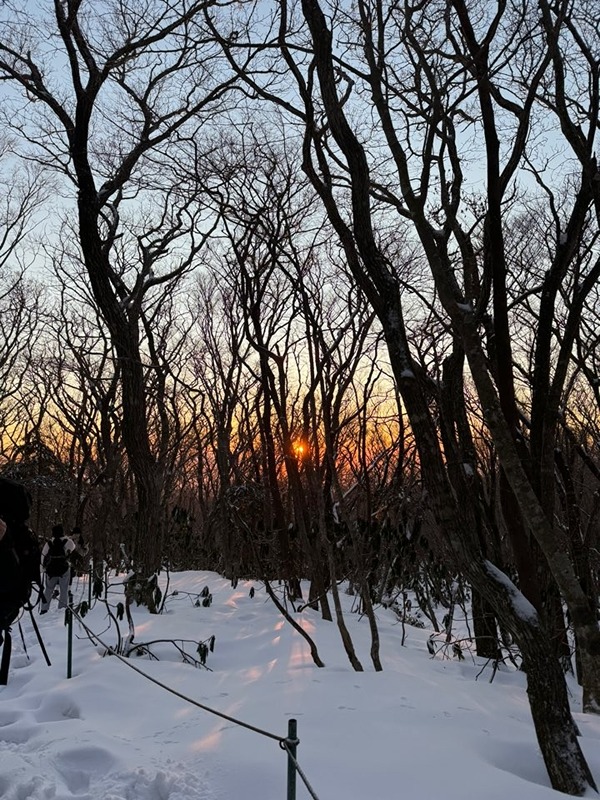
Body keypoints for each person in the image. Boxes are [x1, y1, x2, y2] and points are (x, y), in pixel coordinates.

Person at [40, 524, 76, 613]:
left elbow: (43, 555)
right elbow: (73, 547)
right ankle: (62, 608)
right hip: (63, 568)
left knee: (48, 589)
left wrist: (42, 568)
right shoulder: (68, 542)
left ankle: (44, 608)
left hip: (51, 570)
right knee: (64, 589)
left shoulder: (49, 543)